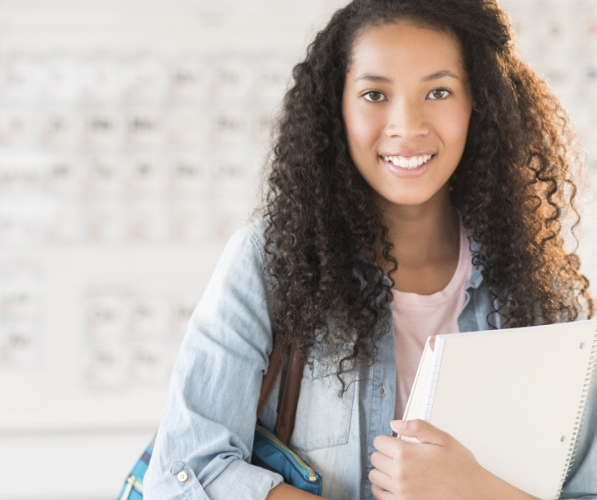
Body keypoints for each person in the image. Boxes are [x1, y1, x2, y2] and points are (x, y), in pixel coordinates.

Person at [144, 0, 597, 498]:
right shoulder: (269, 262)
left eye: (439, 91)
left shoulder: (541, 289)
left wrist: (474, 489)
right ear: (335, 107)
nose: (407, 125)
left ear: (479, 104)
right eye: (375, 94)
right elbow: (186, 471)